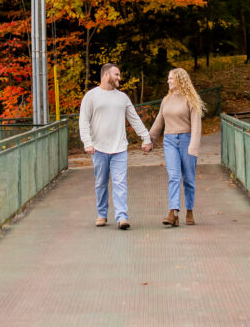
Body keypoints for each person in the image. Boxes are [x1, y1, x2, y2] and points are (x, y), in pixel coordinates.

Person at [78, 63, 151, 230]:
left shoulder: (123, 98)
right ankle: (102, 214)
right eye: (116, 74)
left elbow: (134, 119)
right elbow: (83, 121)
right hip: (98, 148)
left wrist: (146, 137)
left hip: (119, 148)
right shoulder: (91, 96)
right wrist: (87, 142)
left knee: (120, 182)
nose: (119, 77)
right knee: (101, 183)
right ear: (106, 75)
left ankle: (122, 217)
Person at [148, 67, 204, 227]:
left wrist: (193, 148)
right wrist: (149, 140)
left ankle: (190, 210)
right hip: (169, 141)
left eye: (171, 78)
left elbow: (196, 126)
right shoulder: (166, 100)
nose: (168, 81)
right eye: (168, 78)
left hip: (186, 140)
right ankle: (173, 212)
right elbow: (159, 121)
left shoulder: (191, 99)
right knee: (173, 176)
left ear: (180, 79)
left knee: (188, 179)